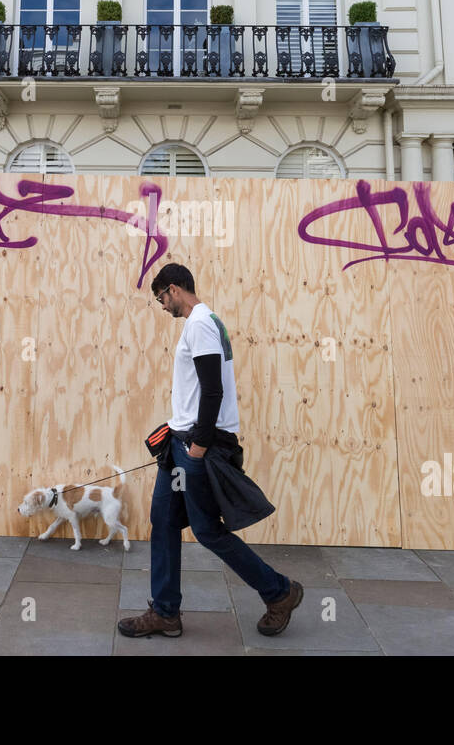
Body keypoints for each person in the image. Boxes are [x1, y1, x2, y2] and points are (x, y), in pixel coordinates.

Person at [117, 263, 303, 639]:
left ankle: (279, 592)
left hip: (196, 447)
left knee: (207, 531)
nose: (162, 306)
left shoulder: (199, 324)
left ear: (173, 289)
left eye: (161, 298)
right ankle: (166, 612)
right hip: (181, 445)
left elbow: (213, 390)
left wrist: (198, 446)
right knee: (164, 522)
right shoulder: (206, 321)